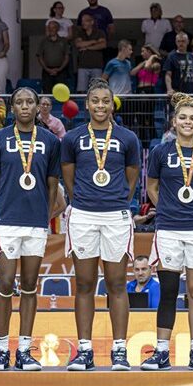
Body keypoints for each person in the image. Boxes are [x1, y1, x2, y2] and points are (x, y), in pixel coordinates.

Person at [62, 79, 141, 370]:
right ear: (87, 104)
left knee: (116, 283)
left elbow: (132, 174)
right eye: (95, 100)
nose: (100, 106)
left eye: (105, 101)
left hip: (115, 216)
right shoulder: (73, 138)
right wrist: (82, 199)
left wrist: (119, 199)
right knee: (84, 284)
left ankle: (119, 350)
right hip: (83, 214)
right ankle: (85, 350)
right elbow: (68, 176)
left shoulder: (127, 138)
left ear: (112, 104)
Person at [141, 94, 193, 370]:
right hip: (168, 229)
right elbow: (151, 186)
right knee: (169, 290)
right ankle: (161, 352)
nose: (187, 122)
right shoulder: (161, 152)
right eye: (182, 117)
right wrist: (166, 208)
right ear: (174, 121)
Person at [0, 87, 61, 371]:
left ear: (38, 106)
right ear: (11, 107)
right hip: (7, 222)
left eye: (30, 101)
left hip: (36, 224)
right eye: (20, 102)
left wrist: (45, 217)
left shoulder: (51, 141)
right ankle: (2, 350)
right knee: (5, 283)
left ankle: (25, 350)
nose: (25, 106)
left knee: (29, 285)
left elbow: (53, 186)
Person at [74, 14, 108, 92]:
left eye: (85, 21)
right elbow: (78, 44)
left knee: (97, 90)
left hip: (96, 66)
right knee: (81, 91)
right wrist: (94, 41)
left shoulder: (99, 32)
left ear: (91, 22)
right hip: (82, 66)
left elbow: (103, 45)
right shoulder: (80, 33)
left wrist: (87, 47)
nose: (83, 23)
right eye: (82, 21)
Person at [37, 20, 70, 93]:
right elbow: (40, 56)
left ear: (57, 29)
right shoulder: (44, 41)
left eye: (53, 27)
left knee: (61, 93)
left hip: (61, 71)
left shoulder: (63, 41)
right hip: (47, 71)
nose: (51, 30)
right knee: (47, 92)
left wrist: (59, 69)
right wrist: (47, 69)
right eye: (49, 28)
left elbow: (67, 57)